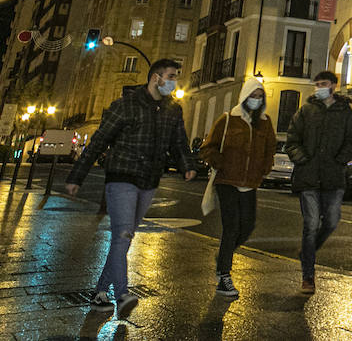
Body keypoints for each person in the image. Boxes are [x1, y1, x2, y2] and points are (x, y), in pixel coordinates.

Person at [65, 59, 196, 318]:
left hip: (149, 181)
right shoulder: (125, 106)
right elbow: (99, 141)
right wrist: (76, 176)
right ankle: (122, 294)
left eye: (176, 77)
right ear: (155, 78)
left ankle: (100, 291)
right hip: (122, 177)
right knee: (122, 235)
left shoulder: (173, 110)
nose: (174, 82)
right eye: (170, 76)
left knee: (123, 240)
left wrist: (187, 165)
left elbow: (178, 142)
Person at [200, 76, 276, 300]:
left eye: (260, 96)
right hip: (227, 181)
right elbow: (209, 146)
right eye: (253, 95)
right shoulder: (228, 119)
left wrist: (265, 167)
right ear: (244, 96)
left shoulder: (265, 122)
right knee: (231, 227)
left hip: (250, 183)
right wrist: (220, 162)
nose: (256, 99)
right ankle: (224, 275)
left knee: (248, 226)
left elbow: (270, 148)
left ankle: (224, 256)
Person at [285, 71, 352, 295]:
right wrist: (303, 160)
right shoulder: (306, 110)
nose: (319, 87)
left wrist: (339, 161)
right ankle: (308, 275)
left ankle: (307, 252)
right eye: (317, 84)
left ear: (334, 86)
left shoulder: (344, 112)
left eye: (323, 84)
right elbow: (292, 141)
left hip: (333, 177)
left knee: (332, 221)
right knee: (310, 226)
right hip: (308, 178)